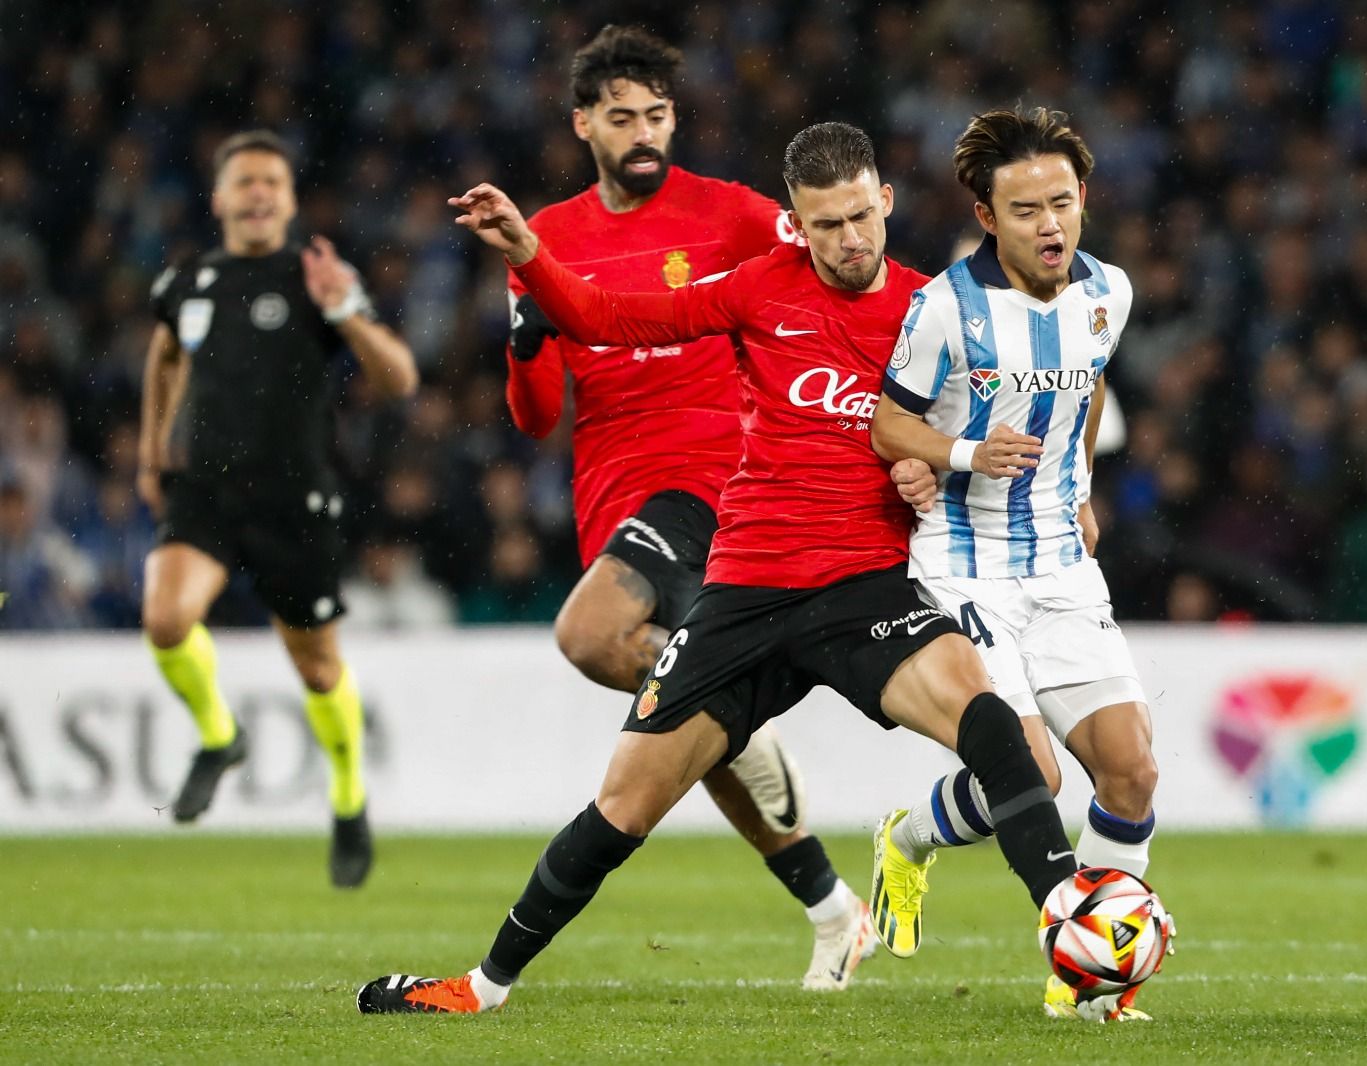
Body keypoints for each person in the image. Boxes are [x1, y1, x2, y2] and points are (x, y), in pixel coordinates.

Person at [356, 122, 1080, 1014]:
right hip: (742, 591)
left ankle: (1072, 931)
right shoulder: (757, 288)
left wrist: (930, 466)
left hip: (864, 589)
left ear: (886, 202)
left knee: (990, 723)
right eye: (825, 226)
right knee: (623, 805)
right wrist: (532, 253)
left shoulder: (937, 313)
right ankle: (481, 986)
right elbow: (607, 318)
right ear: (795, 225)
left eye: (860, 217)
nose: (848, 242)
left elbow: (972, 443)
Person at [499, 26, 874, 990]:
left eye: (657, 115)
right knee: (691, 720)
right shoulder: (548, 239)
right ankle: (831, 905)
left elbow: (838, 272)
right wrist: (526, 336)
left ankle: (738, 706)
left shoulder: (737, 216)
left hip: (715, 476)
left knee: (591, 636)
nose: (642, 133)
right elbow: (537, 416)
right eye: (621, 117)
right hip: (613, 496)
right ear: (583, 123)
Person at [869, 108, 1166, 1021]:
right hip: (966, 568)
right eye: (1026, 208)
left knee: (1131, 770)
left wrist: (1075, 479)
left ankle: (1088, 984)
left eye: (1063, 203)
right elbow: (888, 423)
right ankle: (908, 838)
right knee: (1031, 774)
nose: (1050, 224)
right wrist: (960, 455)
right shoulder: (944, 307)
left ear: (1085, 201)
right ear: (987, 216)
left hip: (1063, 567)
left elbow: (1093, 375)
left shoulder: (1108, 290)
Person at [139, 130, 418, 887]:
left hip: (295, 499)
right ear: (219, 198)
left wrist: (349, 314)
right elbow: (164, 355)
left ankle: (350, 796)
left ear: (290, 201)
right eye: (246, 181)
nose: (259, 193)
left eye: (272, 181)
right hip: (206, 492)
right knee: (165, 620)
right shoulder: (187, 281)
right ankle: (218, 735)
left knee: (318, 667)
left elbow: (398, 379)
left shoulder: (316, 278)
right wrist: (151, 449)